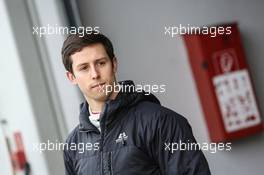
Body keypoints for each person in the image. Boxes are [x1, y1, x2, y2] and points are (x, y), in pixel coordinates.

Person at [61, 31, 211, 175]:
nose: (95, 74)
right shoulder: (73, 146)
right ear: (71, 77)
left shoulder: (161, 122)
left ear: (114, 64)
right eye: (84, 68)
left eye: (101, 63)